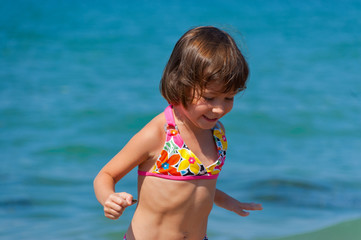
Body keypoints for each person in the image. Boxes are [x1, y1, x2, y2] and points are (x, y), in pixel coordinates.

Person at [93, 26, 263, 240]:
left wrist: (229, 202)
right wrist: (109, 198)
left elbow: (199, 187)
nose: (219, 109)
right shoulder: (159, 133)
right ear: (182, 84)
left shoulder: (217, 133)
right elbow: (105, 176)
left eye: (229, 98)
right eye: (209, 98)